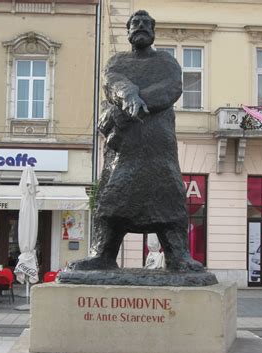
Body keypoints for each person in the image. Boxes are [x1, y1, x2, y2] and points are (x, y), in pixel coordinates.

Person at [68, 10, 203, 272]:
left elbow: (172, 88)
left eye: (145, 24)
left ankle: (178, 255)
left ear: (153, 30)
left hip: (158, 142)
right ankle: (104, 254)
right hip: (124, 146)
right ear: (128, 31)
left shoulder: (167, 62)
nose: (140, 27)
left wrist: (128, 106)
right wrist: (128, 95)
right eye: (135, 23)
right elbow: (112, 83)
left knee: (168, 195)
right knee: (112, 197)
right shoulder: (117, 61)